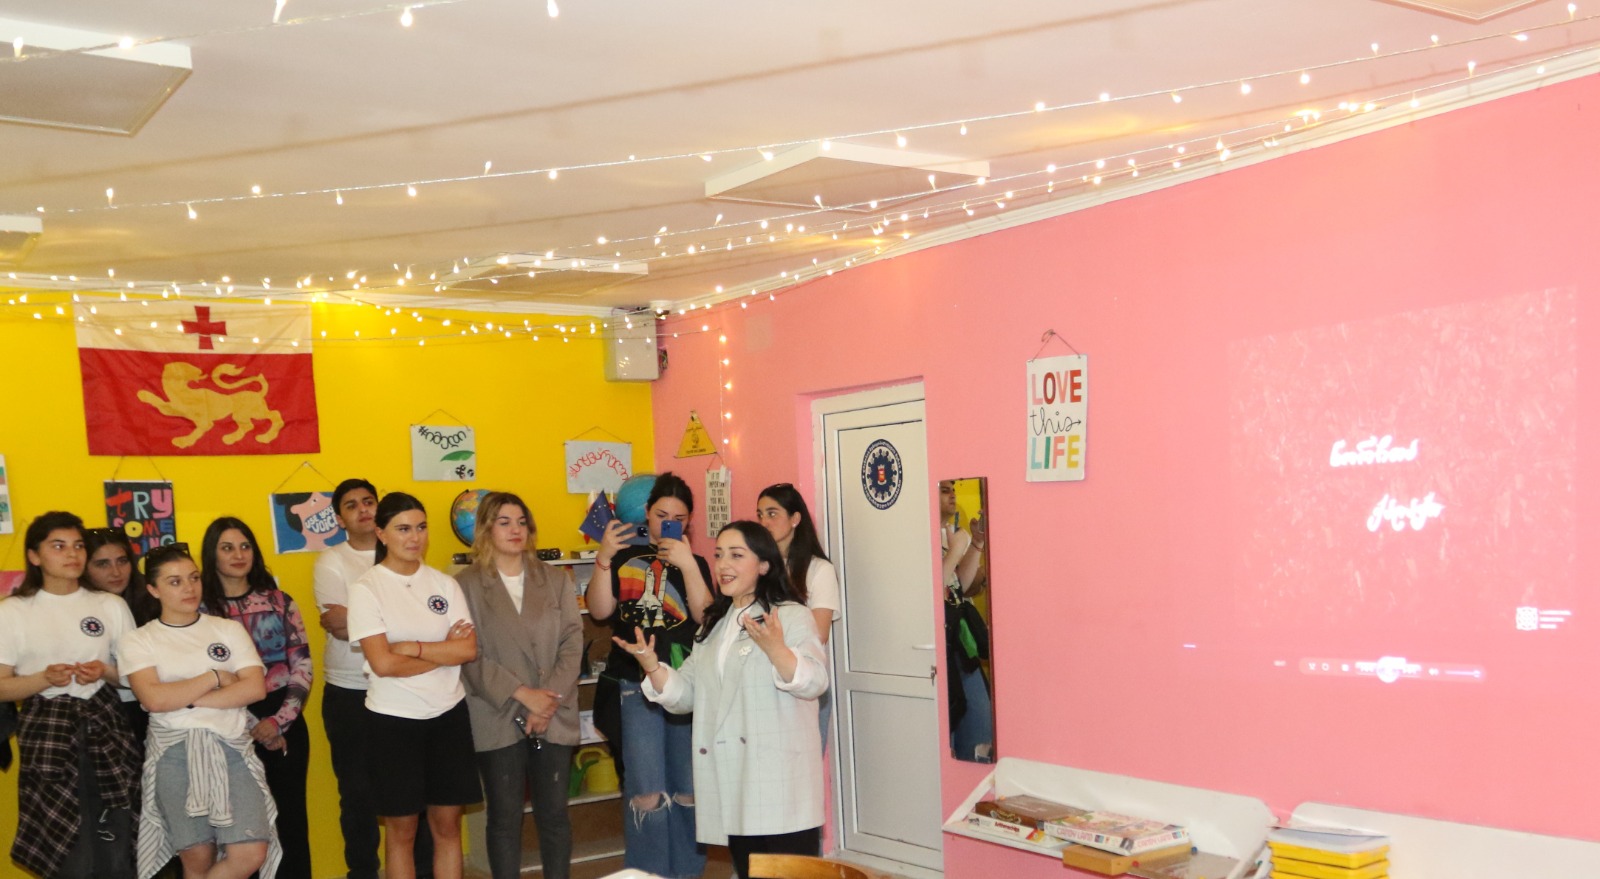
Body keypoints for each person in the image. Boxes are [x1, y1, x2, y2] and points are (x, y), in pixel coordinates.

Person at [616, 521, 829, 879]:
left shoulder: (791, 615)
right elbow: (687, 693)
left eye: (736, 555)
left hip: (779, 782)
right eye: (718, 555)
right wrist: (651, 666)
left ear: (764, 565)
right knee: (748, 871)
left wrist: (777, 649)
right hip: (734, 781)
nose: (723, 565)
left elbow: (815, 682)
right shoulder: (714, 625)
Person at [119, 542, 279, 879]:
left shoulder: (227, 629)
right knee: (197, 859)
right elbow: (153, 700)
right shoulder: (138, 639)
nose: (189, 588)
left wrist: (185, 698)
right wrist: (215, 677)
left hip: (232, 749)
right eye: (175, 581)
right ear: (153, 589)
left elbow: (254, 688)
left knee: (251, 852)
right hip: (174, 754)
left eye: (193, 578)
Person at [346, 492, 482, 879]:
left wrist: (414, 648)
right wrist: (441, 653)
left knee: (447, 828)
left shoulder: (444, 584)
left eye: (421, 527)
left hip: (448, 716)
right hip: (393, 721)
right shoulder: (366, 588)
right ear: (381, 534)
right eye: (403, 529)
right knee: (402, 833)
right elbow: (384, 664)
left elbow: (467, 649)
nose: (415, 537)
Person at [585, 472, 714, 879]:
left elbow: (705, 617)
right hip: (633, 683)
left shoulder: (696, 562)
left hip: (684, 683)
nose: (668, 524)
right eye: (661, 516)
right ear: (646, 512)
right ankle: (647, 873)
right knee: (646, 791)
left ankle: (687, 872)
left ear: (689, 520)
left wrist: (687, 565)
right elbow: (600, 611)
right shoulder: (624, 556)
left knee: (687, 790)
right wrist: (604, 557)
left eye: (679, 518)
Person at [0, 511, 141, 879]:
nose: (72, 554)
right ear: (34, 556)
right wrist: (43, 679)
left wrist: (105, 671)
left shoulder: (109, 605)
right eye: (59, 546)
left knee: (116, 843)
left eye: (78, 546)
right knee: (68, 855)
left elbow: (136, 679)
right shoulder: (12, 611)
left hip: (107, 729)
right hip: (48, 733)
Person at [313, 478, 434, 879]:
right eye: (351, 505)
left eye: (368, 501)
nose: (363, 509)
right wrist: (405, 627)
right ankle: (362, 873)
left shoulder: (408, 555)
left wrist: (371, 623)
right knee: (358, 793)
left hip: (406, 687)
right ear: (339, 518)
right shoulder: (332, 561)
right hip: (351, 692)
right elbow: (338, 626)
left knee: (415, 792)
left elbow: (365, 624)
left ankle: (422, 871)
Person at [459, 492, 582, 879]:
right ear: (486, 529)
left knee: (555, 814)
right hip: (497, 711)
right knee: (504, 817)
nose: (515, 530)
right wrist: (523, 695)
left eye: (521, 522)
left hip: (553, 711)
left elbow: (572, 643)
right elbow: (469, 654)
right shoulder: (465, 585)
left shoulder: (555, 579)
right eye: (504, 522)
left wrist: (545, 703)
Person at [199, 517, 314, 879]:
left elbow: (302, 665)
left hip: (285, 717)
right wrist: (253, 726)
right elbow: (203, 678)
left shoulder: (280, 602)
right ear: (212, 555)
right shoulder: (200, 612)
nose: (238, 554)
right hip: (230, 724)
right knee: (242, 830)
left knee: (290, 820)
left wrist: (278, 722)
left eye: (245, 546)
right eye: (227, 547)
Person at [754, 484, 840, 747]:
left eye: (772, 514)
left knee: (802, 759)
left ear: (795, 518)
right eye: (760, 515)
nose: (764, 522)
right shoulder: (757, 568)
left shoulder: (818, 569)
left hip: (802, 678)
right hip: (759, 679)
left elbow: (819, 634)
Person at [83, 526, 155, 739]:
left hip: (149, 708)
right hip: (98, 711)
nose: (116, 572)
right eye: (102, 564)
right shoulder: (76, 608)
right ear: (83, 567)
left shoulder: (153, 603)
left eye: (122, 561)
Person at [939, 480, 993, 763]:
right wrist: (955, 551)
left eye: (953, 489)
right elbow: (930, 593)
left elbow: (960, 584)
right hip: (940, 650)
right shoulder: (918, 537)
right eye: (944, 490)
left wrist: (976, 543)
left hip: (962, 646)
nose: (952, 494)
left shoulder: (948, 533)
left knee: (980, 731)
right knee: (946, 737)